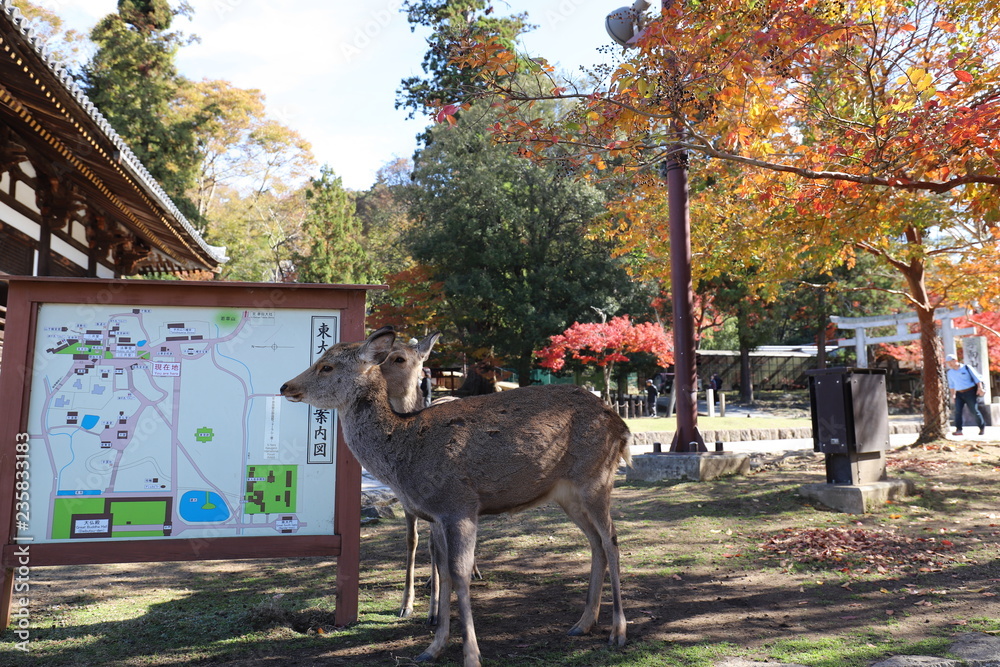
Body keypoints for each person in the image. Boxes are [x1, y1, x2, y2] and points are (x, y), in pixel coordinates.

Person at [945, 353, 986, 436]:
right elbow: (951, 385)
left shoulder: (966, 368)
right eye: (947, 363)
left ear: (955, 360)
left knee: (974, 410)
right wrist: (953, 395)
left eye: (950, 362)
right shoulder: (950, 373)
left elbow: (977, 378)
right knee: (957, 411)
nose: (949, 364)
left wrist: (980, 388)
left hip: (970, 392)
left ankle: (982, 427)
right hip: (959, 394)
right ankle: (959, 429)